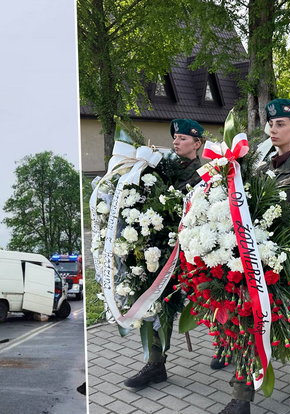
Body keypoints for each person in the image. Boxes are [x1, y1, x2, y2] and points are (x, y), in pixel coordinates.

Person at [221, 99, 290, 413]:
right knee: (250, 319)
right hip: (259, 259)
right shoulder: (262, 169)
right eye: (271, 124)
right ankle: (241, 398)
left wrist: (274, 227)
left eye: (281, 124)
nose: (273, 129)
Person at [123, 118, 206, 388]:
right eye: (175, 137)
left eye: (183, 138)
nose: (176, 142)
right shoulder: (162, 170)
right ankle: (156, 364)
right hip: (163, 253)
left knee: (212, 303)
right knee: (158, 304)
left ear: (197, 143)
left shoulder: (207, 172)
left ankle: (225, 349)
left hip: (196, 253)